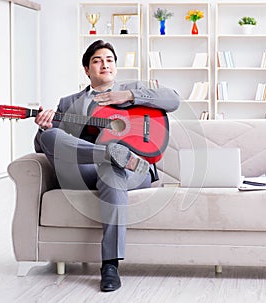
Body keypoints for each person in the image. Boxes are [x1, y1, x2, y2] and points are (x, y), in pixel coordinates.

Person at [34, 40, 180, 292]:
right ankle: (109, 153)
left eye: (109, 60)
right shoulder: (68, 102)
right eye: (97, 60)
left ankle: (110, 265)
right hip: (85, 169)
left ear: (115, 66)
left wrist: (129, 96)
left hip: (134, 168)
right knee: (49, 137)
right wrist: (43, 127)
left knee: (112, 171)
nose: (104, 64)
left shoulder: (133, 89)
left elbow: (173, 99)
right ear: (86, 70)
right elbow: (46, 148)